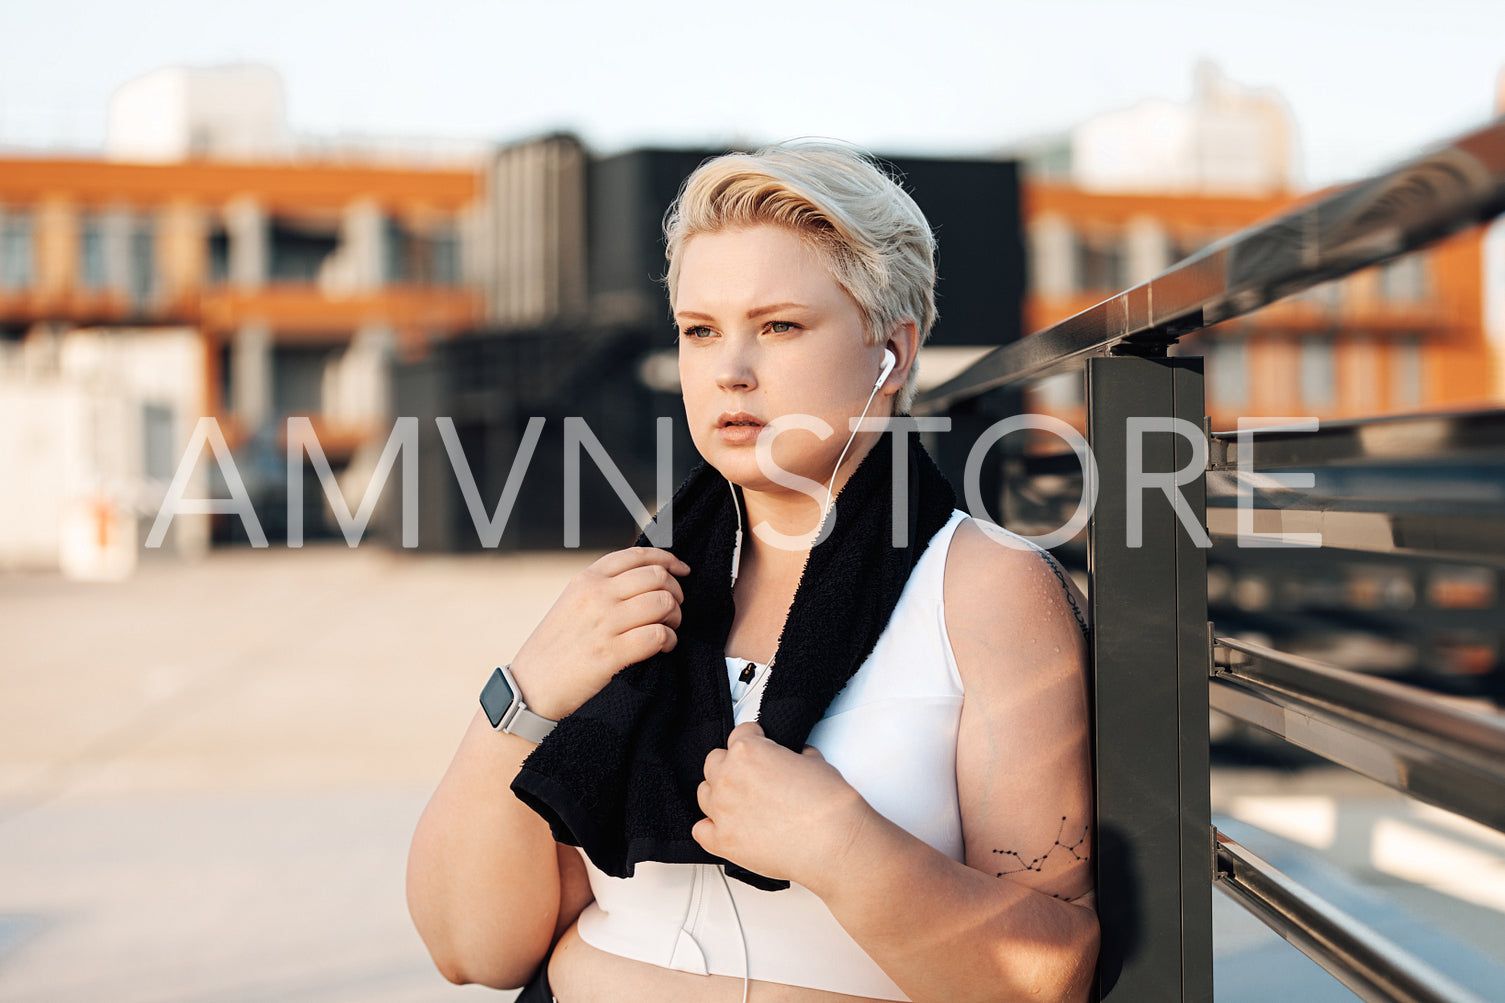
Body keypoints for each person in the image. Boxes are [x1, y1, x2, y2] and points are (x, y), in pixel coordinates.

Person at [406, 141, 1098, 1003]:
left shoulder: (981, 584)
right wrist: (525, 694)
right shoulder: (642, 583)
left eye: (778, 326)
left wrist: (845, 847)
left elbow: (1050, 975)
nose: (729, 370)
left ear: (891, 351)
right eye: (700, 331)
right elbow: (474, 950)